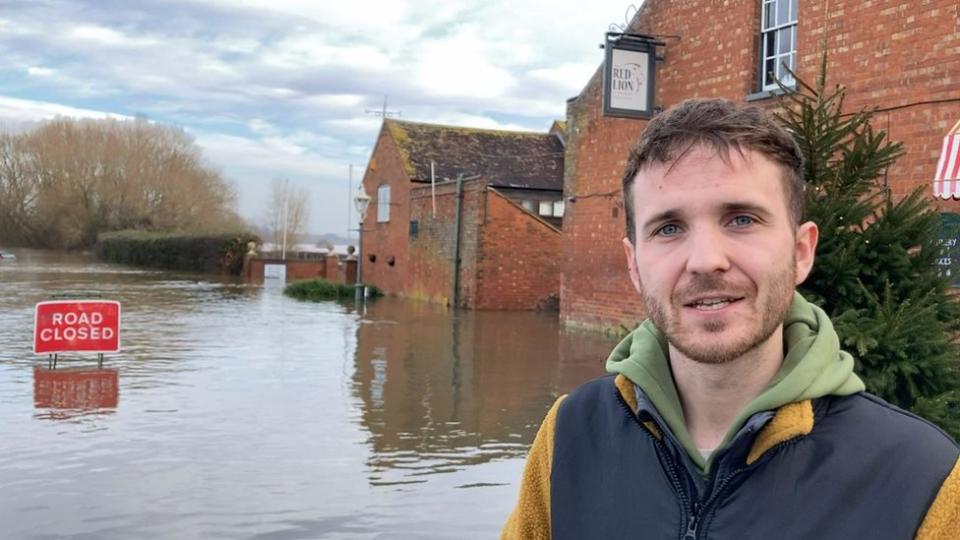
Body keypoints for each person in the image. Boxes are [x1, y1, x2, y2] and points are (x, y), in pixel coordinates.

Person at [501, 98, 960, 539]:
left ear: (801, 252)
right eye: (668, 228)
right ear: (634, 264)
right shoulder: (570, 435)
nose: (705, 260)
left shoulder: (924, 477)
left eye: (741, 219)